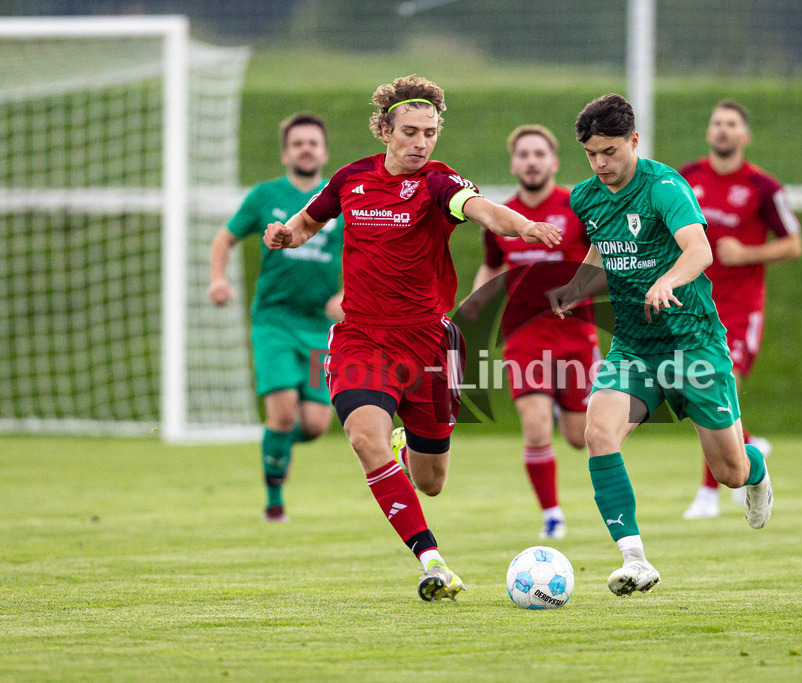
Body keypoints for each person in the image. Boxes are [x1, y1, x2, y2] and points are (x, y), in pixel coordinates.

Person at [262, 76, 562, 602]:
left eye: (430, 133)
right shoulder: (351, 179)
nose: (421, 143)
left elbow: (483, 211)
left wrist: (522, 224)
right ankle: (433, 561)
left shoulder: (438, 183)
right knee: (363, 440)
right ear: (384, 130)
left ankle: (407, 451)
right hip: (360, 339)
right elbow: (309, 221)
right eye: (410, 132)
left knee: (431, 481)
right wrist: (287, 234)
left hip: (426, 344)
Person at [549, 94, 773, 597]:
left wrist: (668, 280)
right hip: (634, 347)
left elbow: (699, 249)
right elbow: (601, 251)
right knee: (598, 433)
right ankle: (636, 560)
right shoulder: (585, 197)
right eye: (591, 154)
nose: (601, 164)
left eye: (610, 151)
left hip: (692, 343)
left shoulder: (665, 186)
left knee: (730, 472)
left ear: (633, 140)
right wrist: (575, 288)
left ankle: (757, 469)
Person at [461, 125, 599, 540]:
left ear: (553, 162)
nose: (532, 161)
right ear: (514, 163)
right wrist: (475, 305)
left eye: (539, 154)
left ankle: (565, 407)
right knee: (536, 426)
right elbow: (491, 265)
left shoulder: (577, 208)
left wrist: (580, 289)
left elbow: (605, 258)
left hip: (576, 337)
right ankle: (552, 515)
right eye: (523, 154)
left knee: (580, 437)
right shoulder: (501, 217)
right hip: (524, 337)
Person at [208, 113, 344, 523]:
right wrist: (218, 280)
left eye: (313, 142)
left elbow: (365, 253)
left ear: (323, 150)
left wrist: (346, 294)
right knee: (283, 412)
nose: (306, 148)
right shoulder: (265, 195)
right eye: (298, 143)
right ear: (286, 152)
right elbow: (224, 238)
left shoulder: (338, 198)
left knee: (316, 425)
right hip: (274, 321)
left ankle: (275, 444)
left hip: (321, 328)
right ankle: (274, 501)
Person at [678, 100, 802, 520]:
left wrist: (747, 252)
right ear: (708, 133)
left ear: (744, 136)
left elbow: (793, 243)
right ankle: (750, 446)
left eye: (731, 124)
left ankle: (707, 494)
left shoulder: (764, 187)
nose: (723, 130)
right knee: (696, 388)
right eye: (716, 123)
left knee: (712, 381)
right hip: (695, 306)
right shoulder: (686, 178)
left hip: (739, 309)